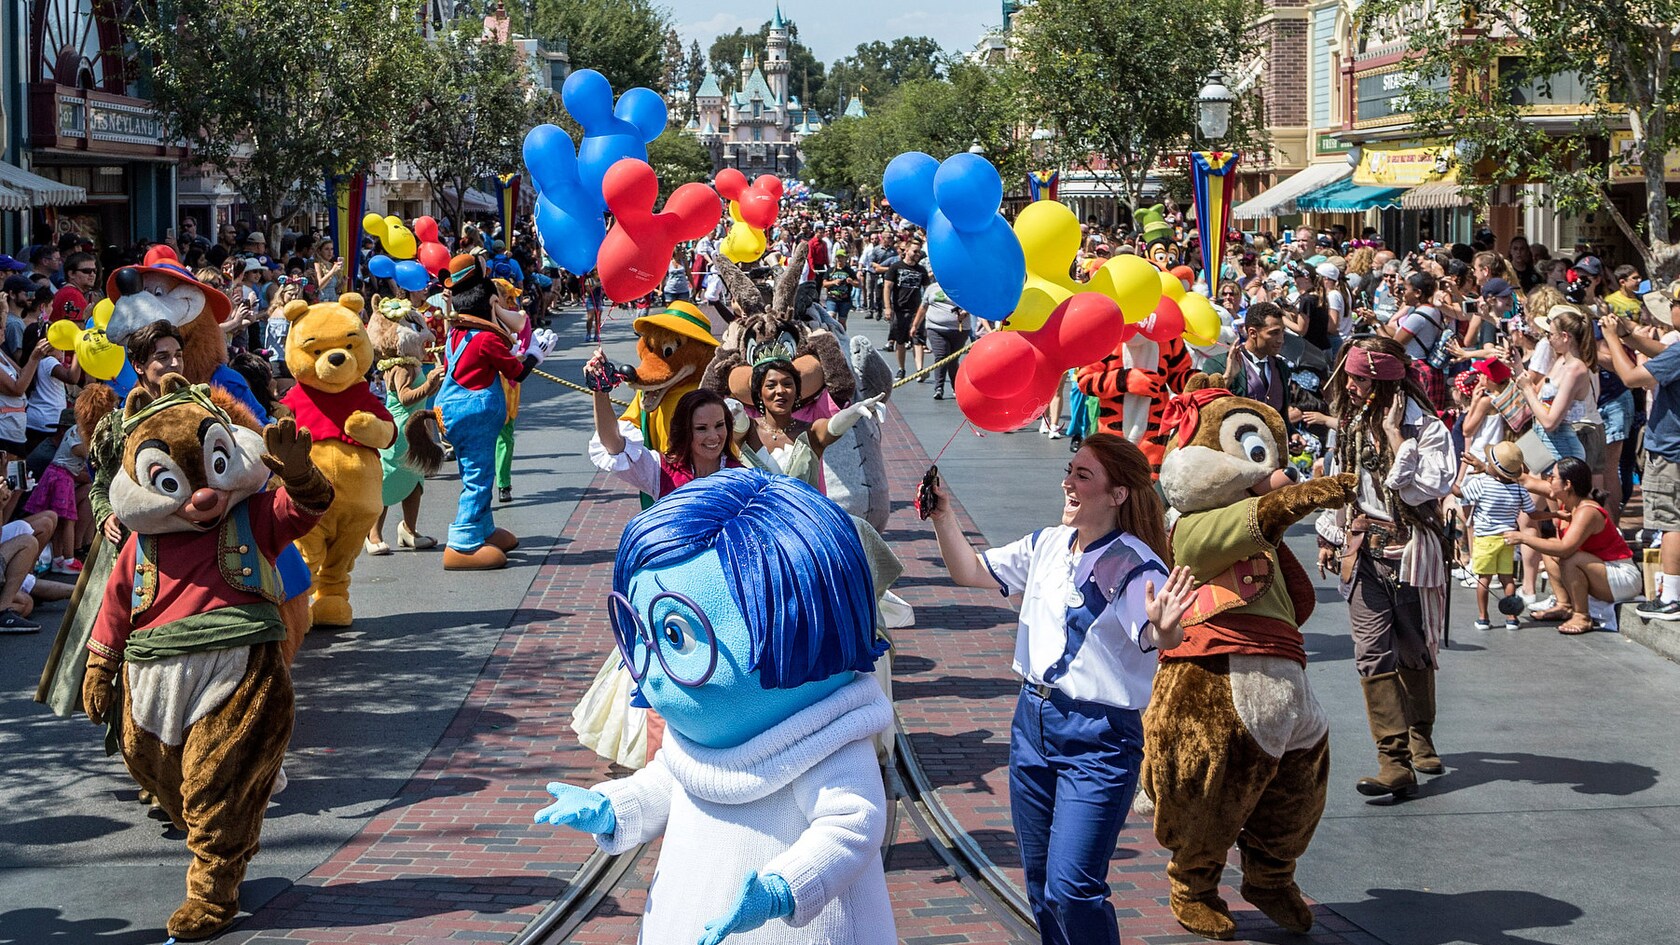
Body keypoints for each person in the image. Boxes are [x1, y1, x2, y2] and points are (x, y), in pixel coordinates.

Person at [924, 433, 1195, 945]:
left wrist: (1166, 628)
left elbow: (1158, 632)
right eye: (1069, 470)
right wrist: (943, 516)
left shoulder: (1133, 562)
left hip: (1098, 738)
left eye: (1083, 475)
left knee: (1073, 887)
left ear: (1117, 495)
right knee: (1040, 885)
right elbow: (967, 572)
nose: (1067, 482)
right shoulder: (1047, 543)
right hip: (1032, 724)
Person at [1316, 337, 1455, 798]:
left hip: (1411, 551)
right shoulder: (1352, 422)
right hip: (1363, 547)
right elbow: (1345, 484)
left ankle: (1420, 735)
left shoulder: (1425, 429)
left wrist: (1398, 440)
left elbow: (1425, 490)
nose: (1350, 386)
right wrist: (1330, 532)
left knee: (1414, 648)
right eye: (1349, 377)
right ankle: (1392, 759)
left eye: (1358, 378)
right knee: (1372, 653)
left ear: (1383, 383)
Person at [1603, 308, 1680, 621]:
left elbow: (1632, 378)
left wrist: (1612, 339)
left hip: (1671, 451)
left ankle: (1671, 598)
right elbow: (1664, 353)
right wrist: (1629, 336)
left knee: (1672, 523)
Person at [1504, 457, 1637, 634]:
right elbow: (1525, 480)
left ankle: (1582, 616)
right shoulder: (1566, 499)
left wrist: (1523, 538)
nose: (1548, 480)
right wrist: (1486, 468)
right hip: (1601, 571)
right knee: (1550, 545)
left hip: (1623, 577)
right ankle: (1564, 604)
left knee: (1569, 556)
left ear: (1567, 484)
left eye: (1553, 476)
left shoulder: (1587, 511)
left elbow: (1566, 549)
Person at [742, 357, 883, 491]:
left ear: (796, 391)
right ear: (760, 393)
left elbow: (832, 427)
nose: (780, 391)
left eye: (787, 384)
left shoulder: (810, 432)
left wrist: (853, 412)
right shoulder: (747, 430)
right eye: (771, 385)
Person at [1455, 441, 1535, 631]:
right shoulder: (1518, 489)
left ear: (1493, 467)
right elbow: (1532, 512)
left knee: (1484, 579)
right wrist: (1555, 514)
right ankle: (1511, 617)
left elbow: (1459, 493)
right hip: (1507, 538)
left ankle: (1483, 618)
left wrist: (1450, 481)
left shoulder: (1482, 484)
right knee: (1507, 579)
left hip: (1485, 540)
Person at [1221, 302, 1289, 417]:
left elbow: (1284, 418)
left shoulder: (1282, 368)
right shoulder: (1219, 364)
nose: (1281, 340)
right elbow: (1206, 409)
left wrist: (1293, 434)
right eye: (1274, 333)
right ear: (1252, 333)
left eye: (1282, 332)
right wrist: (1228, 377)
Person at [912, 281, 966, 401]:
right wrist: (915, 325)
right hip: (935, 327)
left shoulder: (963, 286)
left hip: (959, 329)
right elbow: (923, 306)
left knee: (953, 359)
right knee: (941, 356)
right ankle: (939, 388)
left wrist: (965, 312)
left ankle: (955, 387)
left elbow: (973, 304)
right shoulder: (932, 288)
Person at [883, 243, 928, 380]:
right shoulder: (896, 267)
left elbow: (926, 290)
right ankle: (901, 368)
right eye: (915, 251)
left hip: (916, 309)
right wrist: (888, 307)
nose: (917, 254)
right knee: (900, 340)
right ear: (906, 251)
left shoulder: (921, 270)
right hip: (900, 309)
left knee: (918, 339)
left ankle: (920, 369)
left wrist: (926, 308)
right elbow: (887, 288)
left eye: (919, 252)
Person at [823, 249, 858, 330]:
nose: (840, 259)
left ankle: (842, 338)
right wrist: (833, 282)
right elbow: (824, 284)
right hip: (832, 298)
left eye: (842, 257)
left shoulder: (849, 270)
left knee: (841, 322)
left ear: (845, 258)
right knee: (831, 318)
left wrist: (851, 282)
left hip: (845, 299)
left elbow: (857, 284)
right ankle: (832, 337)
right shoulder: (831, 270)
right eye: (838, 257)